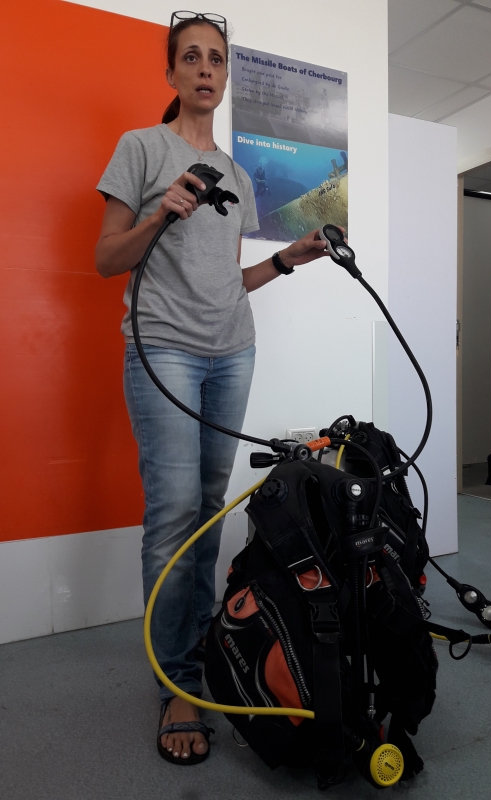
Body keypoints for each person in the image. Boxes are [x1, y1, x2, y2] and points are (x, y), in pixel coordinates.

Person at [94, 12, 329, 766]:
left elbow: (228, 280)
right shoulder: (141, 148)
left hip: (232, 352)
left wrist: (287, 260)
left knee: (204, 510)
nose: (204, 68)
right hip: (161, 347)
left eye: (216, 59)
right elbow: (106, 258)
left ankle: (198, 646)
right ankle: (179, 683)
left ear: (225, 76)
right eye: (191, 56)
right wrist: (160, 212)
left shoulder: (236, 174)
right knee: (171, 514)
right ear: (171, 73)